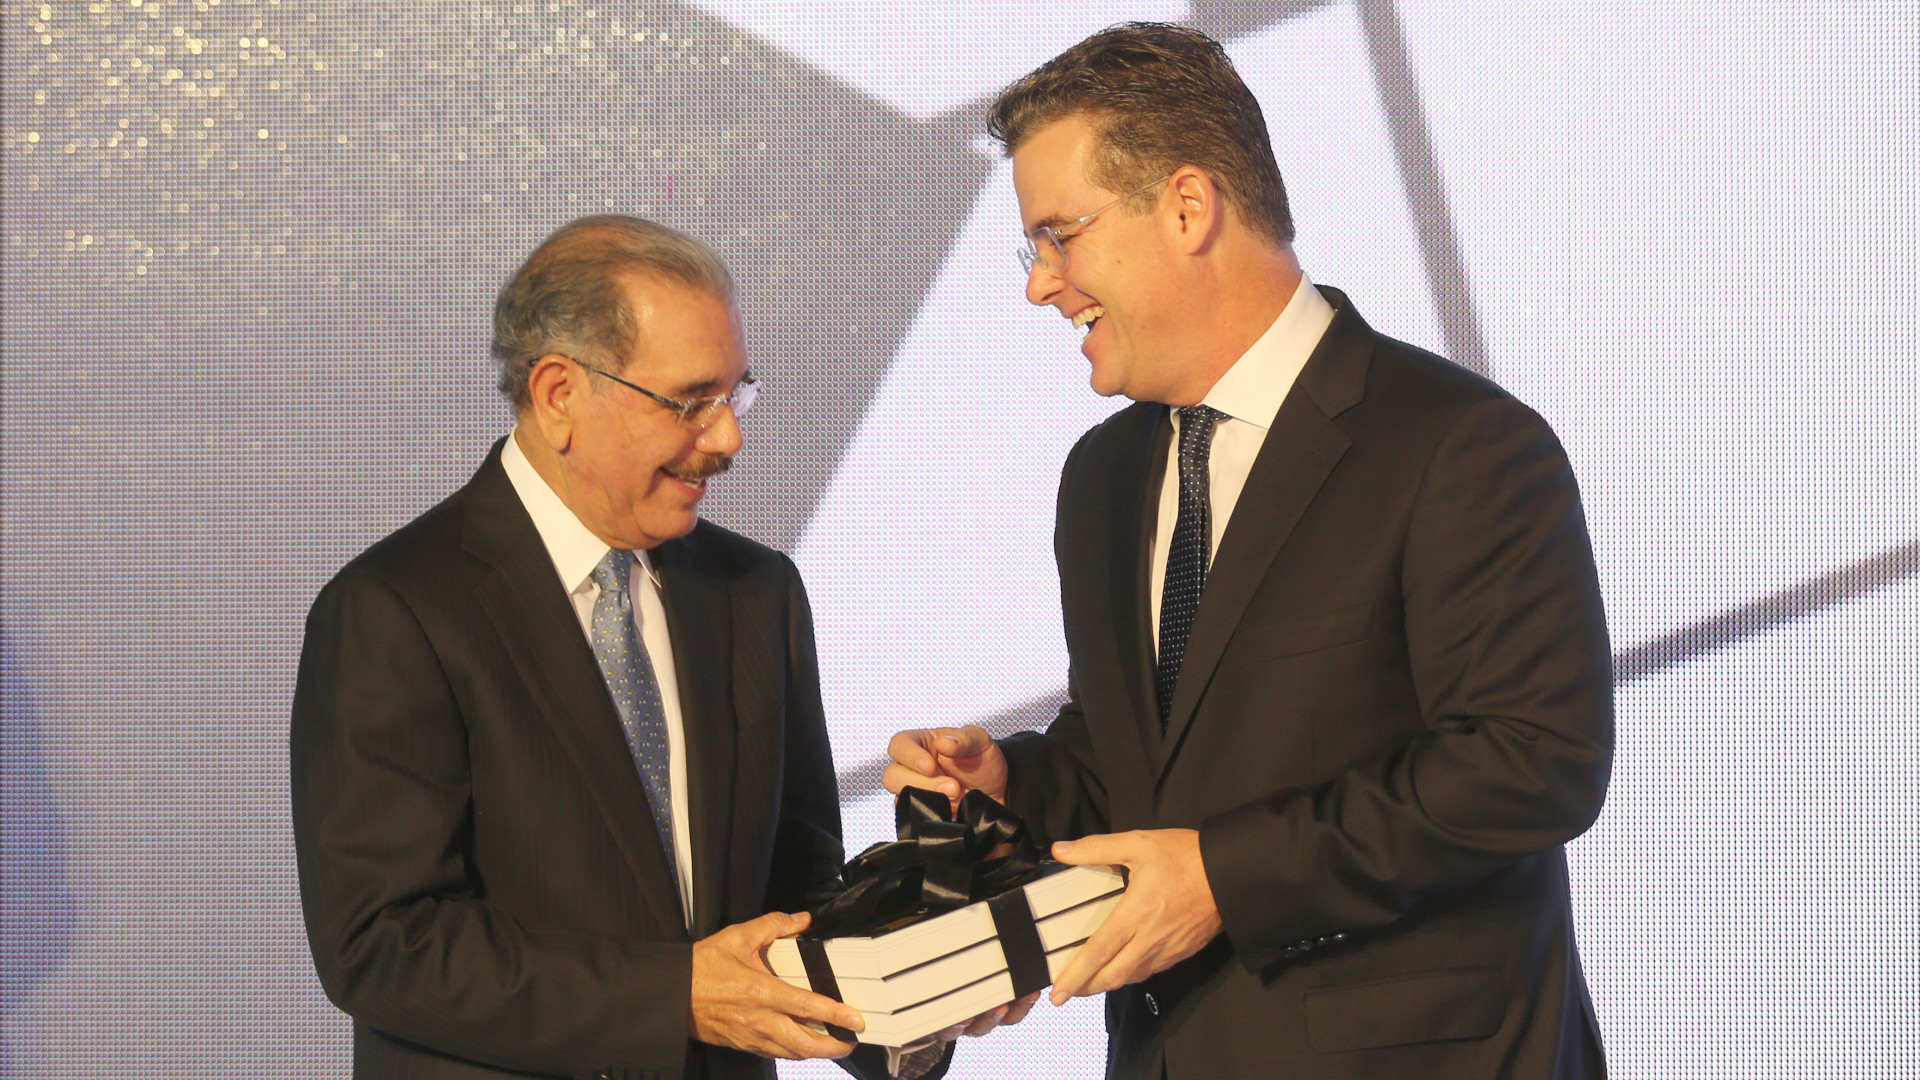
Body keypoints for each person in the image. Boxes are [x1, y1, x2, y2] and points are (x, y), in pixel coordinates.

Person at [884, 24, 1613, 1079]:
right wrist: (1016, 784)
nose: (1041, 284)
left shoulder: (1458, 443)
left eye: (1060, 236)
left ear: (1188, 206)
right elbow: (1149, 759)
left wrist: (1223, 879)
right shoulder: (1104, 477)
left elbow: (1531, 763)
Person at [291, 216, 976, 1079]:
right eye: (691, 402)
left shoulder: (755, 594)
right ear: (559, 395)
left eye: (737, 394)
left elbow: (795, 898)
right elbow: (384, 943)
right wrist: (672, 997)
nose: (728, 438)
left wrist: (932, 978)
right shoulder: (395, 611)